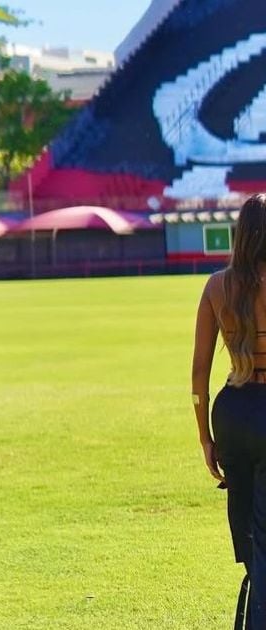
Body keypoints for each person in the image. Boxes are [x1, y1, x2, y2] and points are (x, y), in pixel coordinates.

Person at [193, 193, 266, 628]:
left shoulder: (216, 286)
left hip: (231, 412)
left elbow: (200, 370)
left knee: (247, 523)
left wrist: (205, 437)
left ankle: (254, 594)